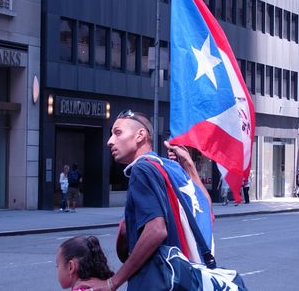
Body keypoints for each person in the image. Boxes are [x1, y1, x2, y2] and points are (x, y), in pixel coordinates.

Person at [73, 110, 213, 291]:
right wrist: (189, 166)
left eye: (117, 133)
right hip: (185, 279)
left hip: (159, 281)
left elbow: (156, 230)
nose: (109, 141)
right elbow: (206, 208)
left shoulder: (142, 169)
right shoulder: (169, 167)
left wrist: (112, 282)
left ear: (140, 135)